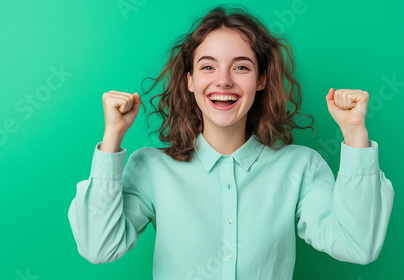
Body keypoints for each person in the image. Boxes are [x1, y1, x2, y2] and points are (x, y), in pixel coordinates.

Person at [68, 5, 394, 280]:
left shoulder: (301, 167)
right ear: (191, 81)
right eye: (208, 66)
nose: (223, 80)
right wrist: (112, 138)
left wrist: (354, 134)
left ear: (261, 79)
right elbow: (100, 247)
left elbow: (358, 246)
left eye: (241, 67)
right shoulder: (150, 167)